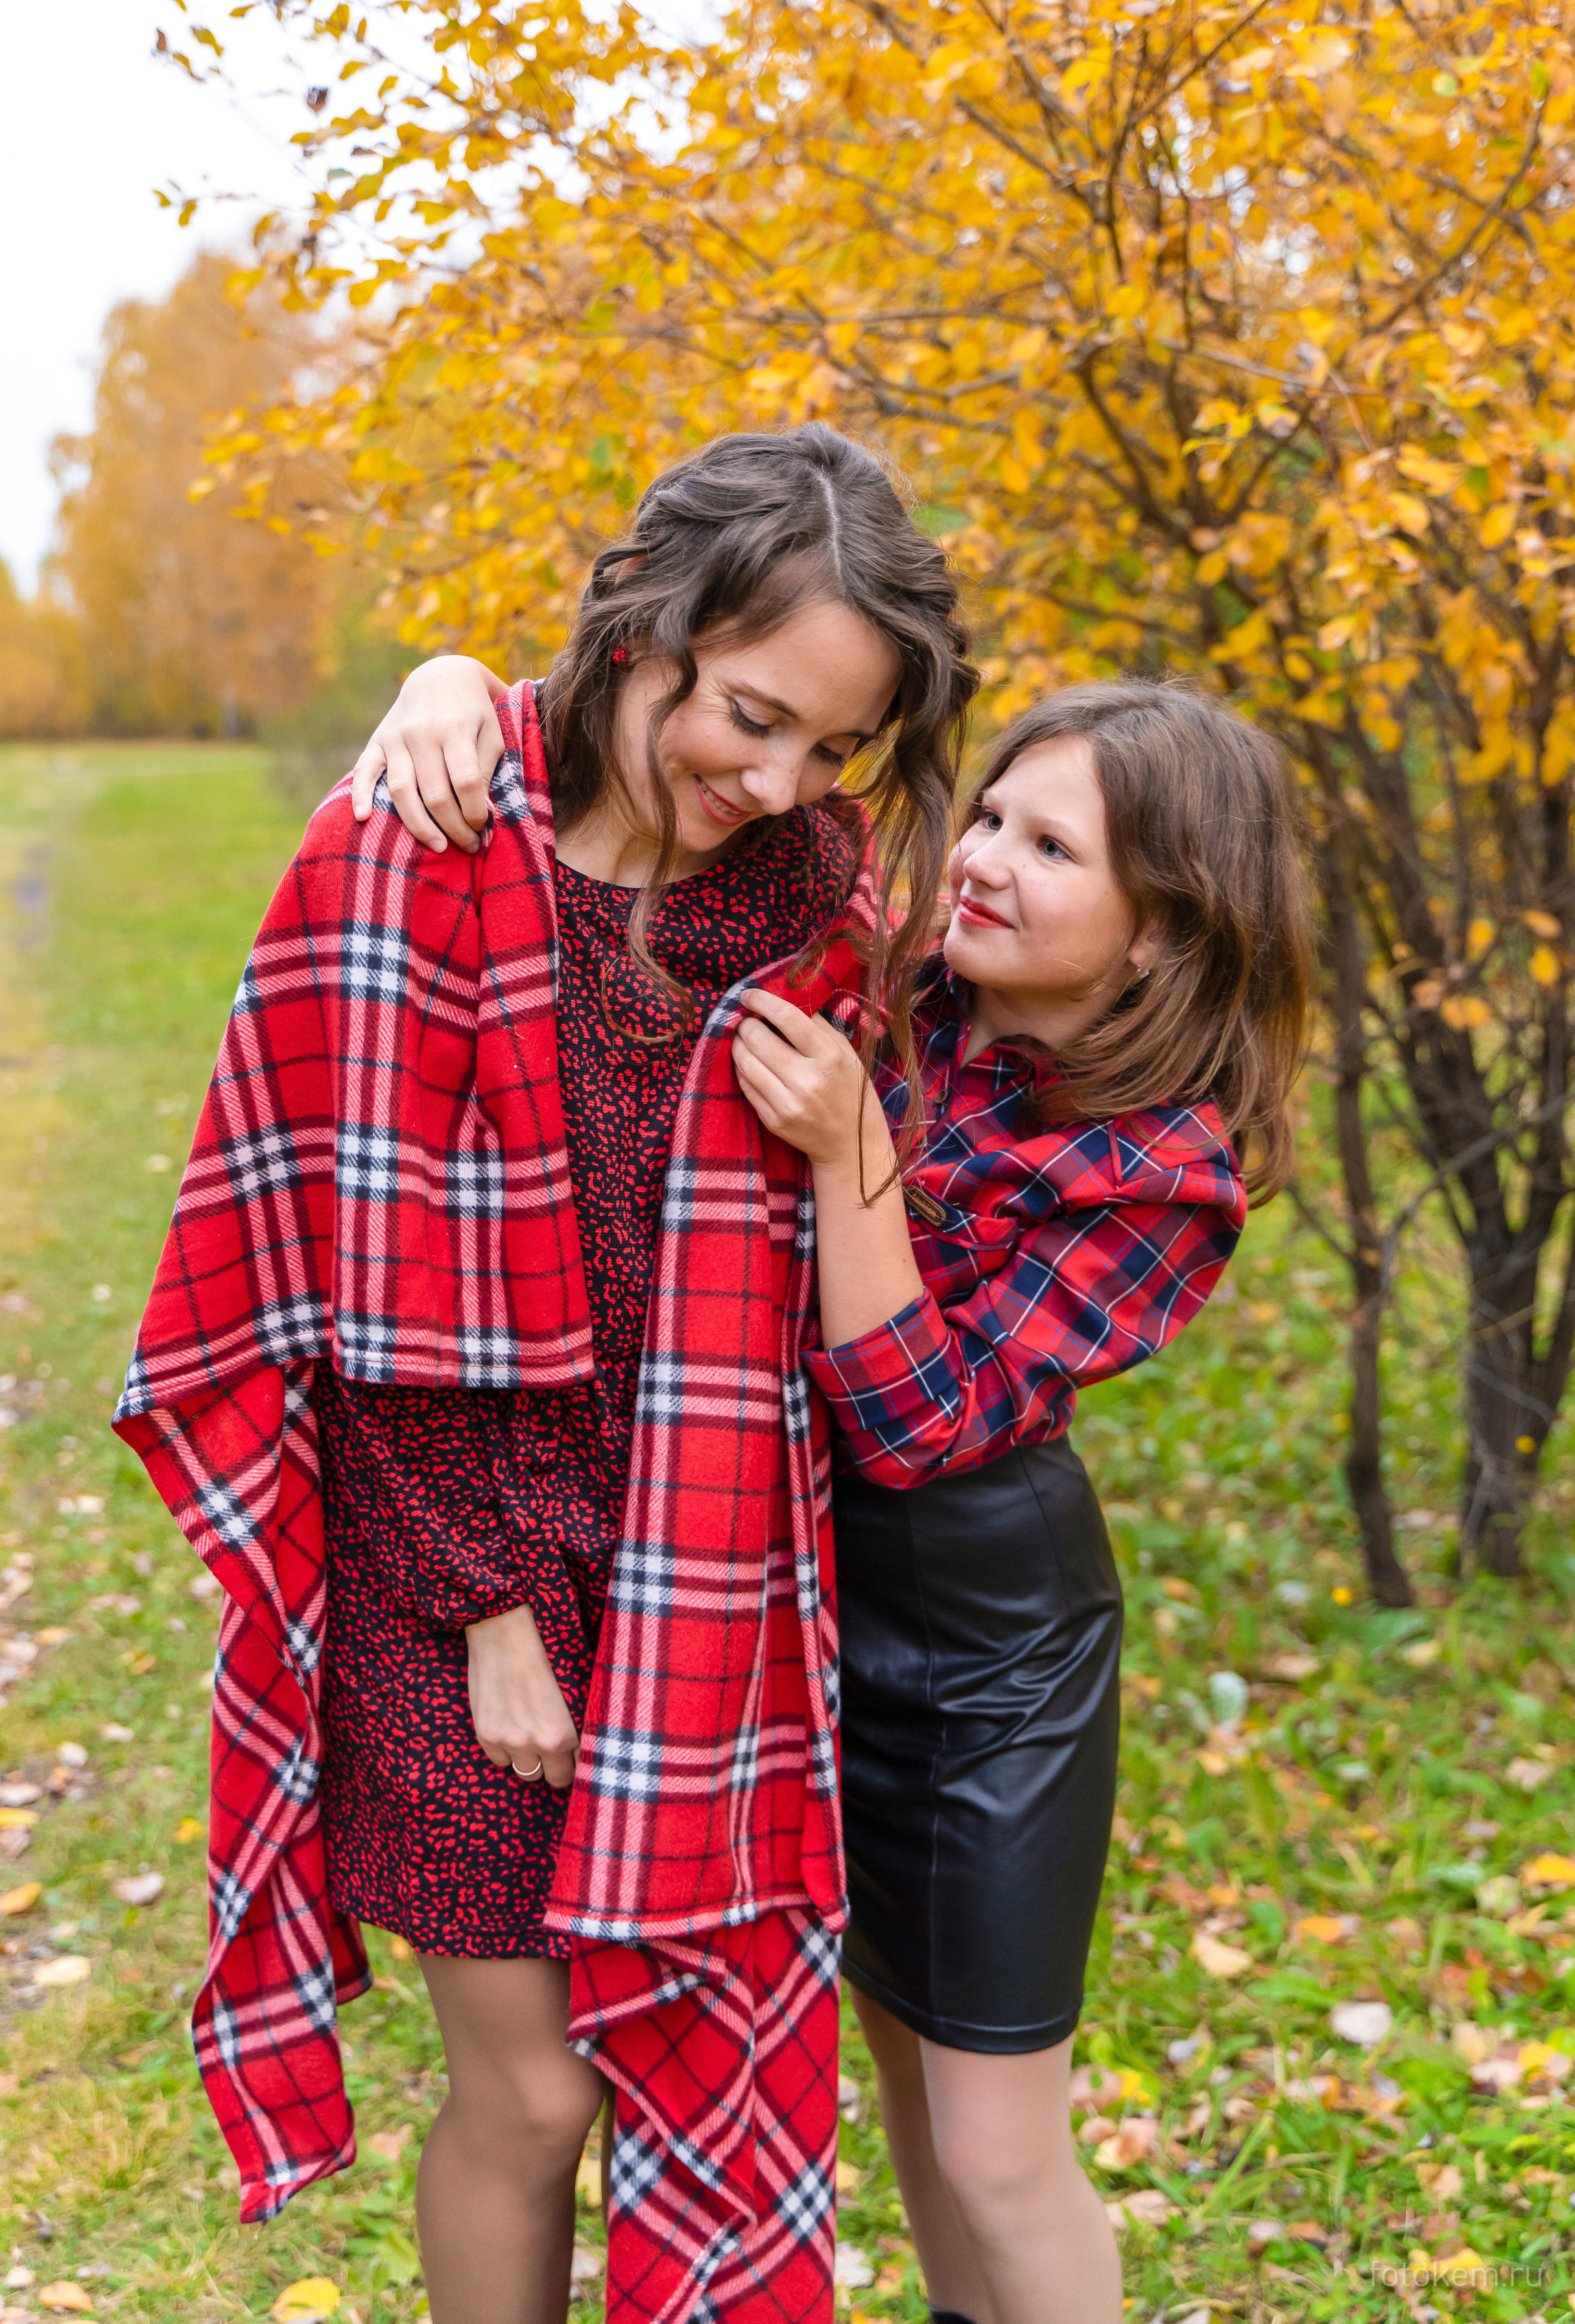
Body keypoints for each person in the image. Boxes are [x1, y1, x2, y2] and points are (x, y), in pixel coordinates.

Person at [112, 423, 979, 2324]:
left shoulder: (799, 892)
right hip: (448, 1575)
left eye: (830, 747)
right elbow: (364, 1279)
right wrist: (494, 1610)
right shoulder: (415, 833)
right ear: (643, 623)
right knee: (533, 2086)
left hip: (701, 1586)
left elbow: (936, 1118)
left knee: (685, 2067)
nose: (776, 782)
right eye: (749, 714)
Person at [354, 667, 1310, 2324]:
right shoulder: (899, 994)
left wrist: (851, 1154)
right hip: (773, 1625)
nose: (990, 861)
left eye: (1055, 851)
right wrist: (449, 684)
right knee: (907, 2108)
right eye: (993, 816)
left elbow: (923, 1425)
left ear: (1162, 929)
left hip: (982, 1667)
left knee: (999, 2137)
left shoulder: (1158, 1168)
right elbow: (654, 750)